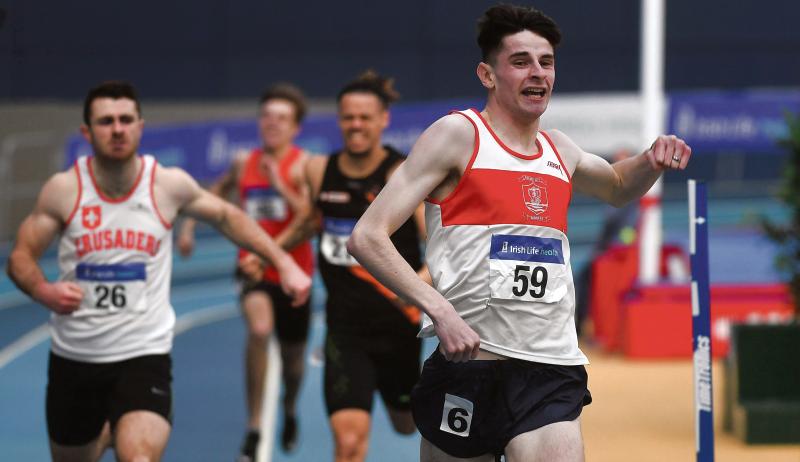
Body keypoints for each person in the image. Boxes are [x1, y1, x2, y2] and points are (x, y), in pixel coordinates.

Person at [347, 5, 692, 462]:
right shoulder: (459, 136)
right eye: (521, 61)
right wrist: (440, 311)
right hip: (467, 368)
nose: (538, 73)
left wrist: (651, 159)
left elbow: (617, 185)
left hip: (548, 372)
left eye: (546, 62)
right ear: (487, 75)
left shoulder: (559, 149)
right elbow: (367, 236)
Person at [5, 81, 311, 462]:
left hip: (143, 354)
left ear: (140, 126)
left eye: (125, 120)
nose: (117, 129)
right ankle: (105, 431)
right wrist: (43, 291)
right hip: (77, 358)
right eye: (105, 121)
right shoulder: (63, 190)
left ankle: (121, 428)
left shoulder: (166, 184)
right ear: (87, 131)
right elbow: (20, 256)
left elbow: (228, 216)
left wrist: (283, 263)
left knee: (139, 457)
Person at [278, 70, 429, 462]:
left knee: (405, 423)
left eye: (365, 117)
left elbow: (442, 245)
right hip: (344, 331)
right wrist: (270, 252)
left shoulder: (401, 174)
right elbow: (310, 223)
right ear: (339, 120)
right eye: (348, 117)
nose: (356, 125)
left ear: (383, 120)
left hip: (400, 328)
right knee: (347, 444)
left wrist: (416, 289)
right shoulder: (318, 171)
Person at [177, 83, 314, 459]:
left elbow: (309, 218)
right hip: (252, 270)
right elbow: (212, 194)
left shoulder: (303, 165)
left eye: (282, 118)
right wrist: (188, 228)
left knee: (294, 362)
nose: (272, 124)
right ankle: (254, 425)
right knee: (259, 329)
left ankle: (288, 407)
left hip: (293, 276)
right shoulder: (243, 162)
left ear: (295, 127)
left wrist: (278, 185)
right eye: (266, 116)